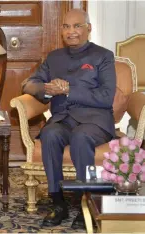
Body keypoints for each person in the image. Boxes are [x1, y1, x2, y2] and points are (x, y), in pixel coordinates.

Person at [21, 9, 116, 227]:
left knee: (81, 137)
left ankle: (88, 205)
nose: (71, 31)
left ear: (88, 29)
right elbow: (28, 84)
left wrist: (69, 90)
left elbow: (106, 97)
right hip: (63, 119)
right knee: (51, 134)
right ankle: (58, 203)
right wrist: (48, 88)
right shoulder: (54, 58)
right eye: (66, 26)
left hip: (95, 120)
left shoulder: (103, 56)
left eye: (77, 26)